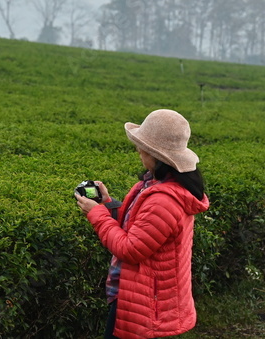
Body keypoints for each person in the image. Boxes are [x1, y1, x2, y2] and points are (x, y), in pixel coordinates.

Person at [75, 109, 209, 339]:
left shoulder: (164, 200)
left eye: (142, 146)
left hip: (148, 302)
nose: (138, 150)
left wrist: (96, 214)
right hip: (135, 292)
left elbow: (131, 249)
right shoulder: (153, 184)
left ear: (156, 155)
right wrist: (107, 204)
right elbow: (138, 225)